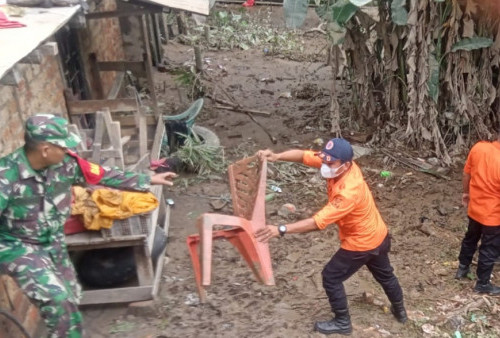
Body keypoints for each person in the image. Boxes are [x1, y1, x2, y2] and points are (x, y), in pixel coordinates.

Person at [0, 114, 177, 337]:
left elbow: (101, 174)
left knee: (71, 295)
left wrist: (145, 180)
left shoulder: (65, 164)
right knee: (57, 298)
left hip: (52, 240)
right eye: (63, 147)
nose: (67, 152)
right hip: (17, 245)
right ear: (45, 149)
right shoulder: (6, 175)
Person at [255, 138, 407, 335]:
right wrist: (277, 156)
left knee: (331, 277)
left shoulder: (348, 191)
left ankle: (342, 322)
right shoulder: (337, 163)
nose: (325, 166)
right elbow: (304, 156)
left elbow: (317, 222)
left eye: (330, 163)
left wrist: (281, 229)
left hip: (360, 243)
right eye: (325, 161)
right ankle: (401, 311)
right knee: (386, 275)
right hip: (378, 233)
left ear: (346, 165)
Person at [455, 134, 500, 295]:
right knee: (489, 249)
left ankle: (462, 268)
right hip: (493, 215)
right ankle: (482, 283)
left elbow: (466, 173)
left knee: (471, 238)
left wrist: (466, 193)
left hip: (475, 208)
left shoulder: (479, 148)